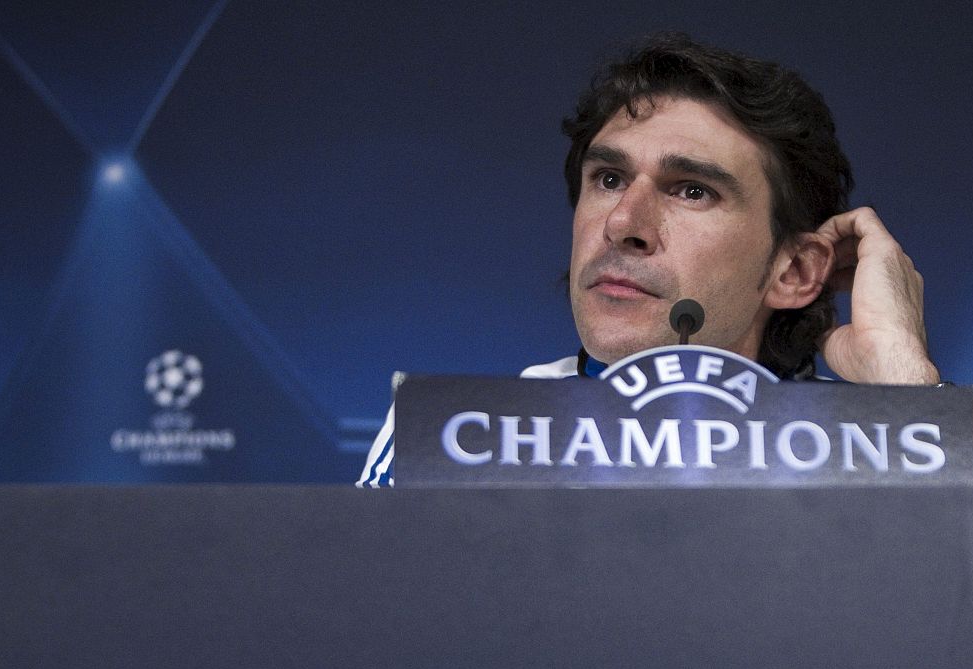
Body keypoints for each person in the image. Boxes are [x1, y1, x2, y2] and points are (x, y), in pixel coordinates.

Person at [358, 32, 939, 487]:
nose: (622, 224)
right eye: (609, 179)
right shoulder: (461, 442)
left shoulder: (868, 453)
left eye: (692, 190)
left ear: (793, 271)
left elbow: (966, 594)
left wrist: (905, 385)